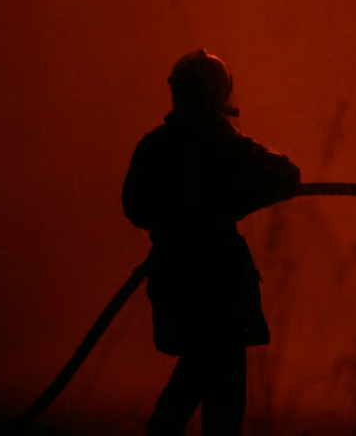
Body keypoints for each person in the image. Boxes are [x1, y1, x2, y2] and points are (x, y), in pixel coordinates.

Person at [122, 50, 301, 436]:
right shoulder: (227, 145)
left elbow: (135, 208)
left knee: (198, 365)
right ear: (218, 92)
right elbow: (286, 174)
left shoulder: (154, 146)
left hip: (173, 273)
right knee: (222, 383)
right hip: (222, 281)